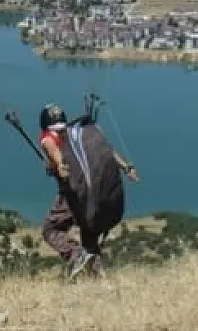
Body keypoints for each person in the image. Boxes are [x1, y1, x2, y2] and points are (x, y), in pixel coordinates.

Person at [36, 103, 139, 278]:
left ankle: (75, 255)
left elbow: (52, 149)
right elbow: (109, 151)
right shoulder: (79, 134)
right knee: (89, 235)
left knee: (50, 230)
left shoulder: (48, 136)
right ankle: (100, 278)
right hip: (96, 194)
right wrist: (126, 168)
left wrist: (59, 166)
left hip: (73, 194)